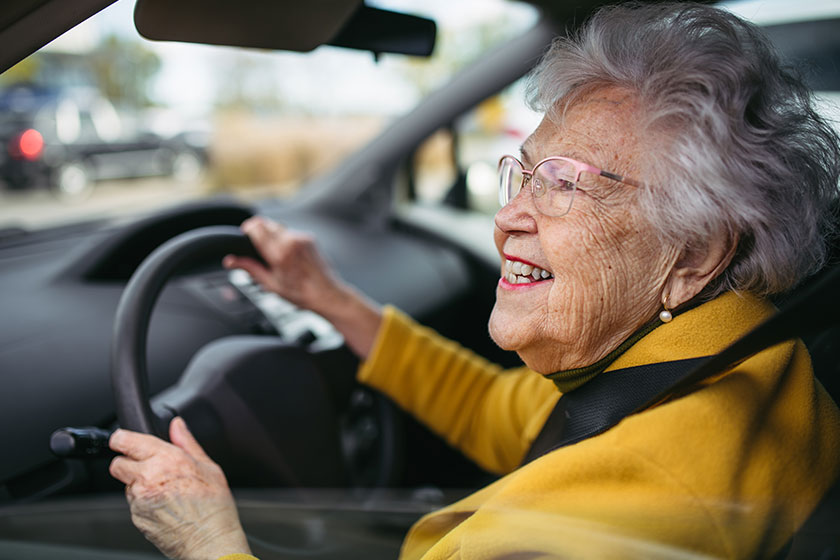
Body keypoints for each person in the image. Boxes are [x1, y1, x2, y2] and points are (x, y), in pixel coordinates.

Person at [108, 3, 840, 559]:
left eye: (562, 184)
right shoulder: (729, 353)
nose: (510, 216)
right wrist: (332, 301)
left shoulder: (593, 525)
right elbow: (509, 414)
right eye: (521, 173)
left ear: (693, 254)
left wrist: (211, 540)